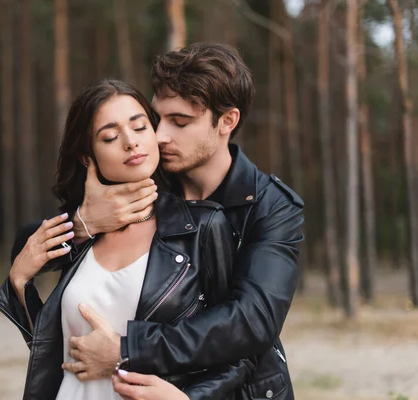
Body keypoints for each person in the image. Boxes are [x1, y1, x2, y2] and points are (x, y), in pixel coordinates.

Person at [60, 43, 305, 400]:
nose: (159, 136)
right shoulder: (147, 179)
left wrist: (129, 349)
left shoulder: (272, 205)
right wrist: (83, 222)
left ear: (227, 121)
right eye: (157, 118)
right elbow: (41, 239)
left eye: (180, 122)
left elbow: (253, 320)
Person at [0, 79, 252, 399]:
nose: (131, 142)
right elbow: (51, 351)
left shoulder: (203, 228)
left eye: (140, 127)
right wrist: (19, 282)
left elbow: (239, 350)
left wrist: (188, 398)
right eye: (111, 137)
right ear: (88, 156)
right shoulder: (79, 238)